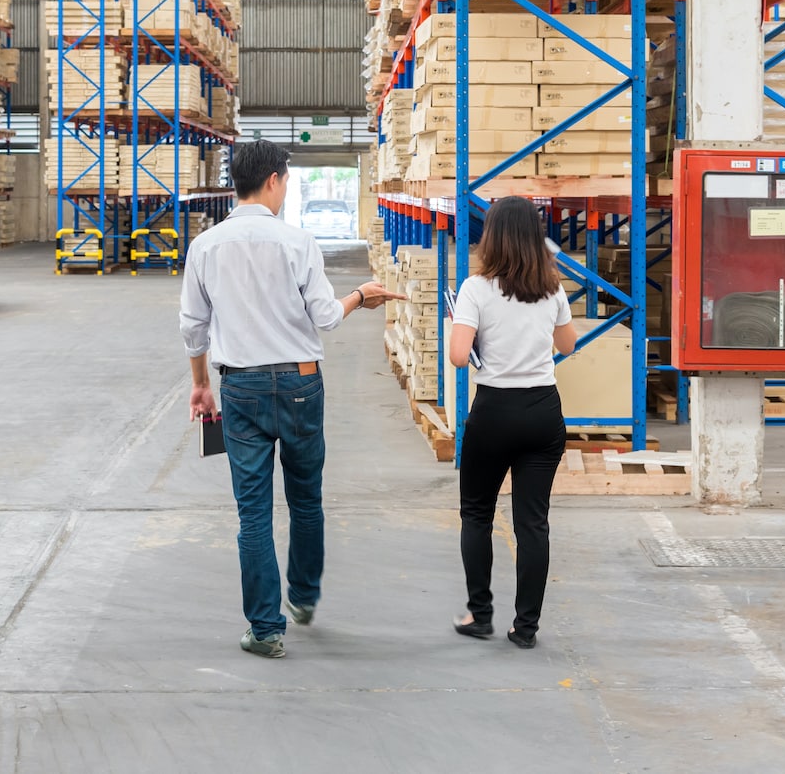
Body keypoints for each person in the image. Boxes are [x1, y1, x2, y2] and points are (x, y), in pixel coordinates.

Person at [180, 139, 401, 660]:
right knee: (306, 499)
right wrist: (361, 297)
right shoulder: (297, 242)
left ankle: (265, 629)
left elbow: (193, 328)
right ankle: (302, 598)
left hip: (239, 388)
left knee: (252, 513)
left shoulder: (206, 246)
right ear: (275, 180)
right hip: (300, 386)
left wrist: (201, 383)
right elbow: (326, 317)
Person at [447, 195, 575, 649]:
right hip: (543, 412)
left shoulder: (475, 289)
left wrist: (472, 331)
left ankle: (479, 615)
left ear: (493, 237)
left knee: (477, 513)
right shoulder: (553, 288)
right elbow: (569, 345)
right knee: (532, 523)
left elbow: (460, 357)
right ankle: (526, 628)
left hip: (494, 411)